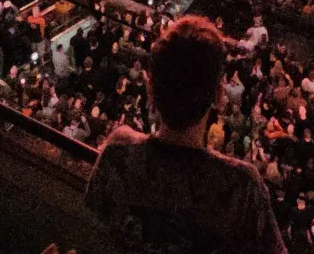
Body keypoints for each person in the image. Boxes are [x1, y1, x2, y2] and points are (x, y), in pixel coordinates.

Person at [85, 14, 286, 254]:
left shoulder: (118, 155)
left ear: (150, 91)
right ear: (219, 96)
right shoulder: (242, 187)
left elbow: (92, 233)